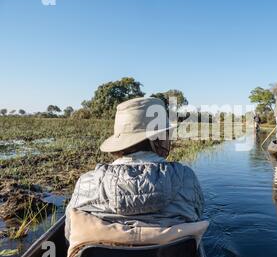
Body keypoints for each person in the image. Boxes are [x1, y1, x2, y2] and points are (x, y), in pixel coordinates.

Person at [64, 97, 204, 242]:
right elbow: (196, 216)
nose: (170, 139)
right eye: (167, 134)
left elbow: (69, 234)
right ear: (158, 139)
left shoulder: (86, 182)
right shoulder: (187, 178)